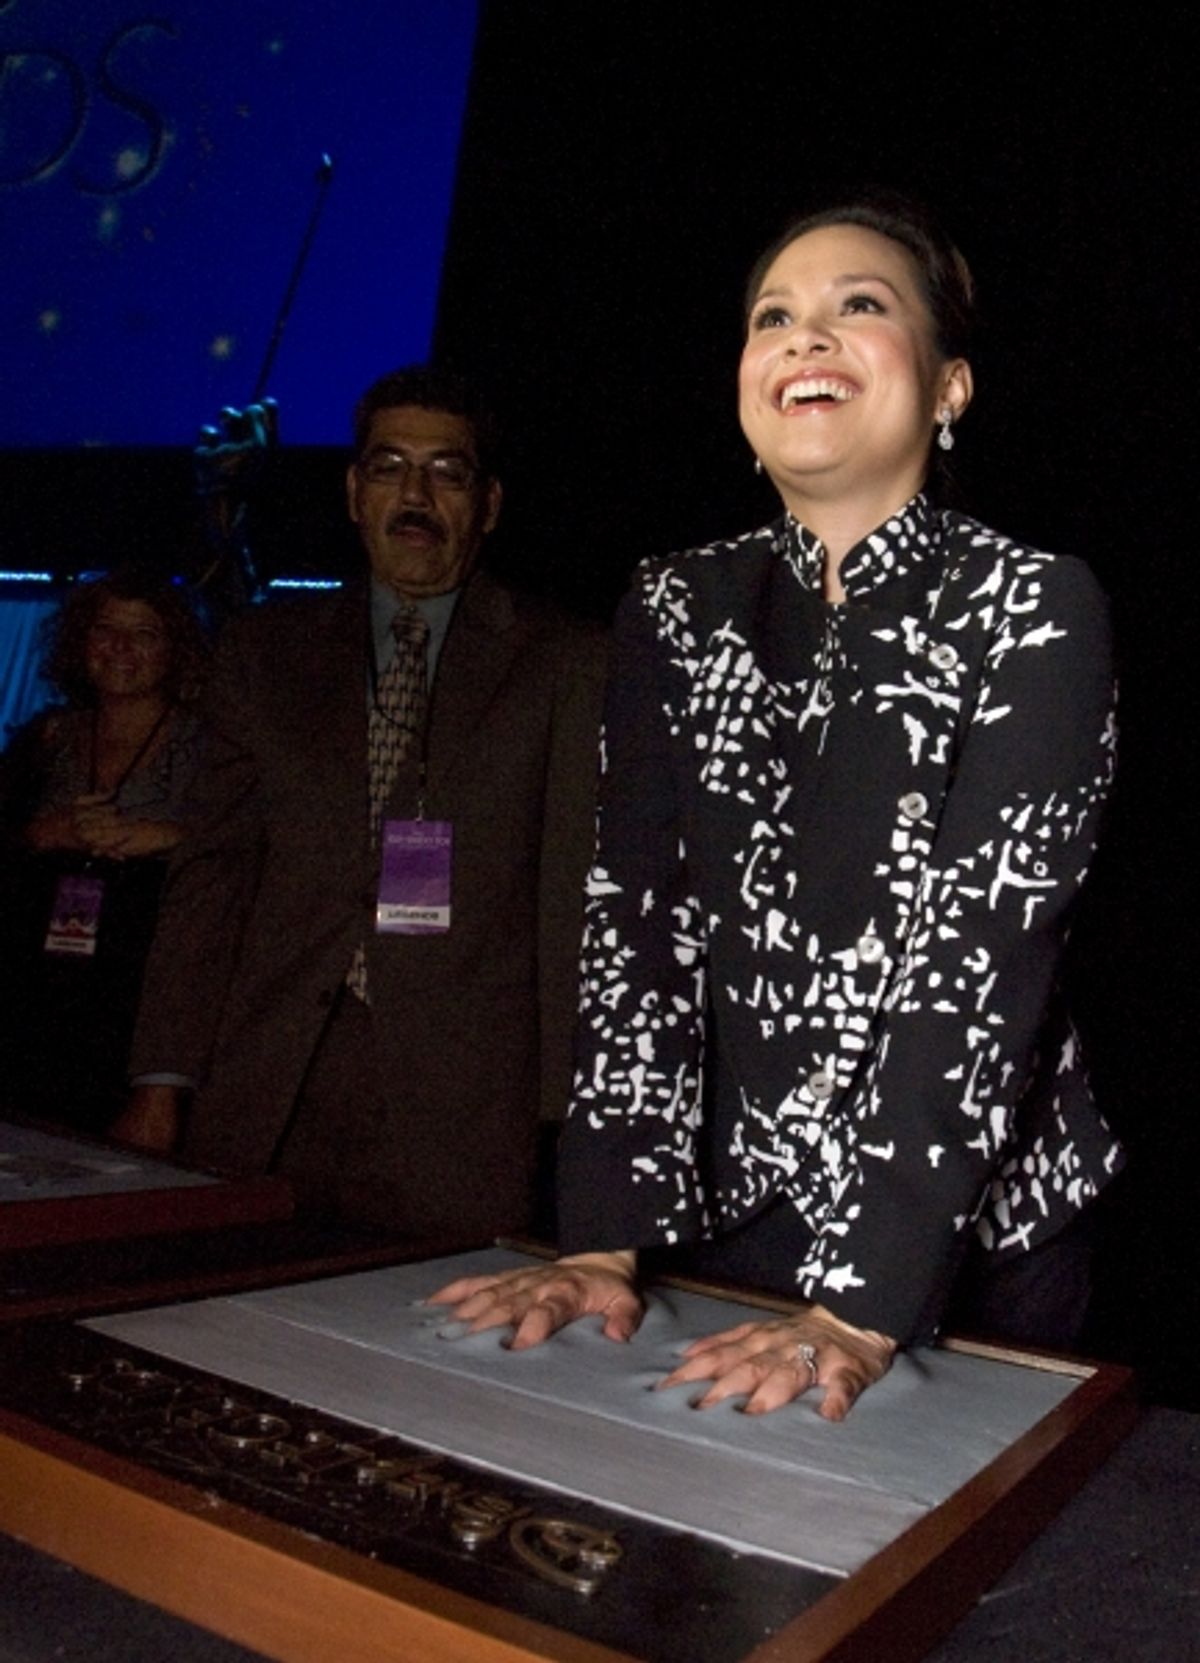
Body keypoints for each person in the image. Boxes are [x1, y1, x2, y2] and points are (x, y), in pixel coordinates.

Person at [431, 197, 1121, 1420]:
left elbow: (980, 965)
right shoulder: (674, 603)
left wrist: (860, 1306)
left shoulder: (1037, 605)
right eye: (774, 316)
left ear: (951, 385)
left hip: (971, 1240)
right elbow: (636, 925)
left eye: (861, 305)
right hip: (732, 1214)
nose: (808, 335)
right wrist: (601, 1240)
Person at [115, 366, 606, 1243]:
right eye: (389, 467)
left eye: (446, 472)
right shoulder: (266, 654)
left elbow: (573, 900)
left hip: (465, 1113)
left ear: (488, 504)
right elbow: (211, 884)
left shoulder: (565, 662)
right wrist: (162, 1079)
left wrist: (571, 1118)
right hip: (266, 1087)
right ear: (353, 492)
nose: (415, 496)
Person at [0, 567, 209, 1132]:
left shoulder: (210, 745)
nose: (121, 647)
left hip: (145, 996)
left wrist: (165, 837)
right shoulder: (47, 737)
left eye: (144, 633)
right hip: (36, 991)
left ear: (175, 648)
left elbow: (253, 846)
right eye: (106, 629)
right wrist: (46, 833)